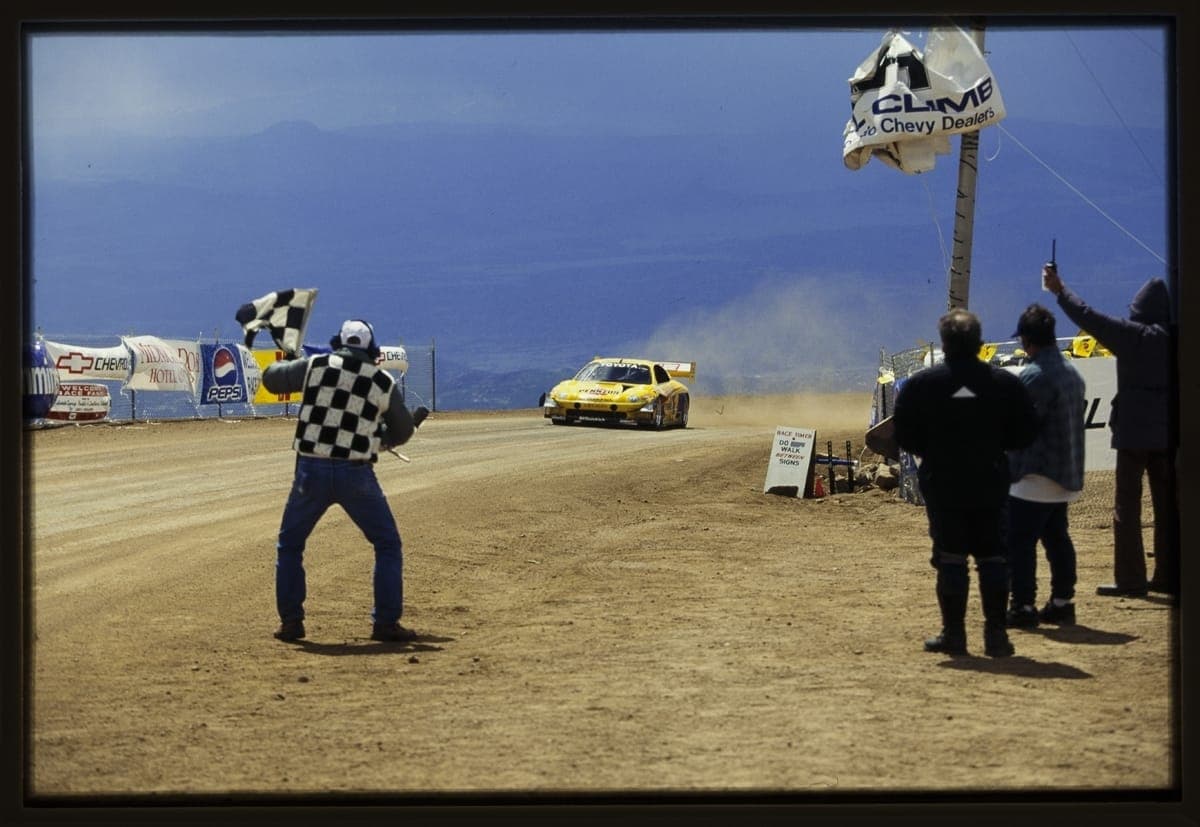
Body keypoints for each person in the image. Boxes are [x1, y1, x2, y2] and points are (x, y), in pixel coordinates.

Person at [263, 319, 420, 643]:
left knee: (290, 545)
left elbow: (271, 379)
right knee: (387, 544)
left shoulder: (316, 365)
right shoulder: (381, 380)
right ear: (372, 347)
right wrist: (381, 441)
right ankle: (385, 623)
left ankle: (291, 622)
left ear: (339, 341)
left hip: (311, 470)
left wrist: (293, 361)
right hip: (356, 473)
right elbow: (404, 429)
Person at [893, 309, 1037, 657]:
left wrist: (933, 451)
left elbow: (905, 435)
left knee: (950, 557)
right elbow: (1025, 433)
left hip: (943, 484)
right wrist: (994, 447)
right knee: (993, 558)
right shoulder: (1005, 384)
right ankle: (996, 637)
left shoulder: (921, 385)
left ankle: (954, 635)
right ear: (980, 343)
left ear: (944, 344)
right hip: (990, 481)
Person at [1042, 266, 1177, 598]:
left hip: (1132, 433)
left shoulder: (1131, 335)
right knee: (1169, 508)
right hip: (1169, 433)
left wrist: (1060, 290)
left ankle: (1131, 580)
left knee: (1127, 507)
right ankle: (1169, 575)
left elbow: (1088, 316)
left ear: (1137, 311)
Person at [1004, 304, 1086, 628]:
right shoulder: (1072, 374)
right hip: (1064, 474)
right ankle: (1062, 602)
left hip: (1034, 476)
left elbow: (1020, 427)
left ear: (1027, 340)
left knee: (1020, 543)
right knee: (1057, 539)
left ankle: (1023, 606)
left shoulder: (1033, 376)